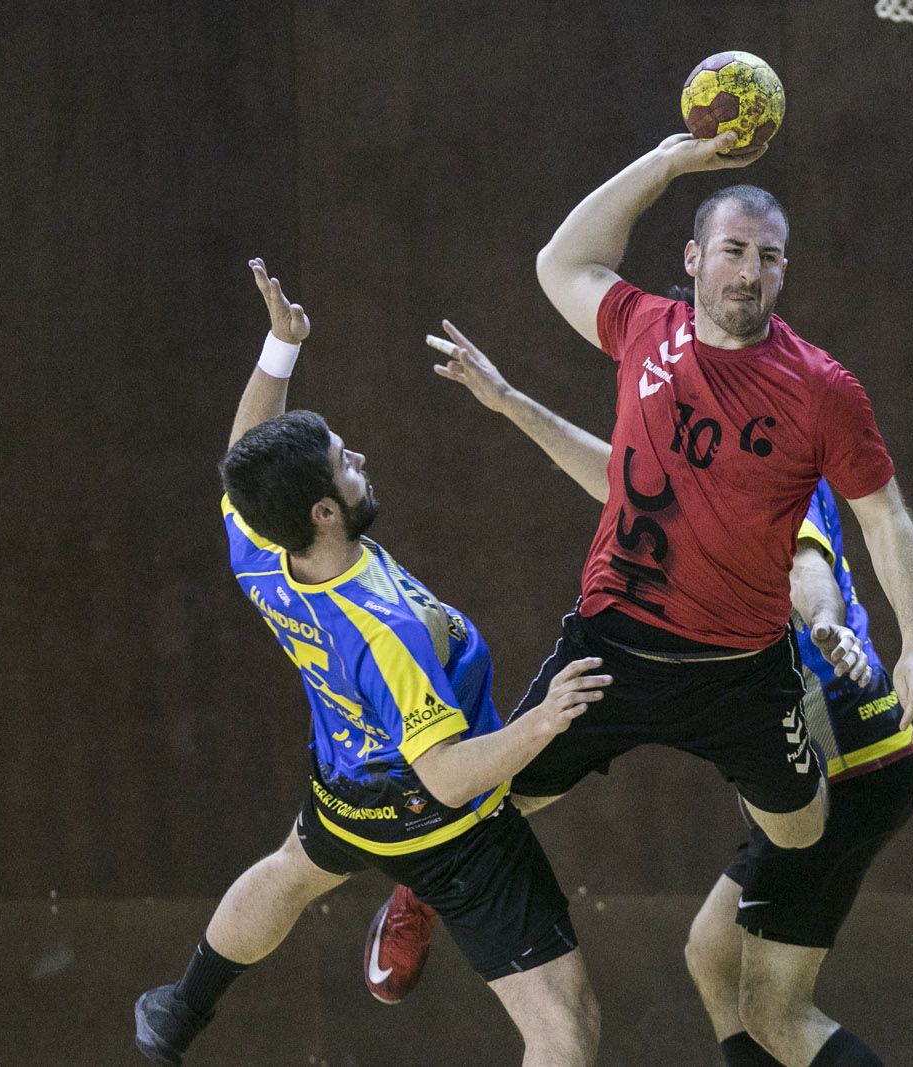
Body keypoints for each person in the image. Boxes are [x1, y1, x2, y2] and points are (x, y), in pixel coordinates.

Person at [368, 131, 913, 1067]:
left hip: (742, 667)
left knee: (798, 835)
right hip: (618, 645)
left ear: (784, 272)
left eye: (769, 257)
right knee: (483, 795)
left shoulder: (819, 393)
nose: (751, 271)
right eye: (733, 250)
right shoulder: (645, 329)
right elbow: (563, 268)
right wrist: (672, 162)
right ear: (693, 260)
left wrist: (902, 635)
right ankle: (422, 887)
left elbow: (861, 530)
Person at [132, 258, 610, 1067]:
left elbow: (247, 456)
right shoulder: (383, 632)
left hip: (347, 787)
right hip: (447, 825)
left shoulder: (262, 545)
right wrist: (543, 719)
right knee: (566, 1029)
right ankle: (424, 890)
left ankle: (178, 1011)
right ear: (324, 512)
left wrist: (280, 350)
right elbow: (449, 775)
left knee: (290, 870)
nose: (364, 463)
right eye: (348, 463)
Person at [419, 322, 913, 1067]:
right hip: (828, 753)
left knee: (776, 1012)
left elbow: (806, 564)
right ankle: (427, 874)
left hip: (849, 757)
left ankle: (426, 875)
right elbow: (618, 482)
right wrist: (510, 402)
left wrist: (824, 621)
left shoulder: (779, 458)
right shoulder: (692, 456)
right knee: (712, 954)